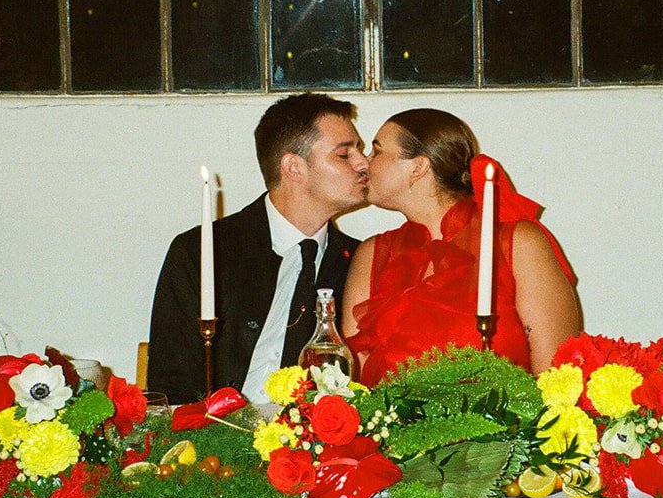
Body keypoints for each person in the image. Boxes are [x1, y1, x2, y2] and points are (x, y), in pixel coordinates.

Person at [148, 93, 369, 404]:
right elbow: (171, 386)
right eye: (345, 155)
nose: (363, 163)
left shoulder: (361, 264)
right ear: (294, 167)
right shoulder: (204, 252)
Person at [341, 109, 582, 386]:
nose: (364, 164)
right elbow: (352, 381)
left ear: (418, 167)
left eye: (377, 151)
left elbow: (558, 378)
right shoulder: (373, 254)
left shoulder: (517, 243)